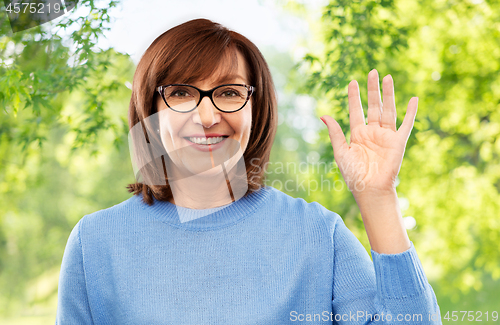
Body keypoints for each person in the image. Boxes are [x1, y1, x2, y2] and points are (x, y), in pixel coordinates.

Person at [55, 18, 442, 324]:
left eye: (229, 92)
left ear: (256, 110)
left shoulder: (318, 236)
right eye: (181, 93)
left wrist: (378, 198)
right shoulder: (95, 244)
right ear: (150, 111)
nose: (207, 116)